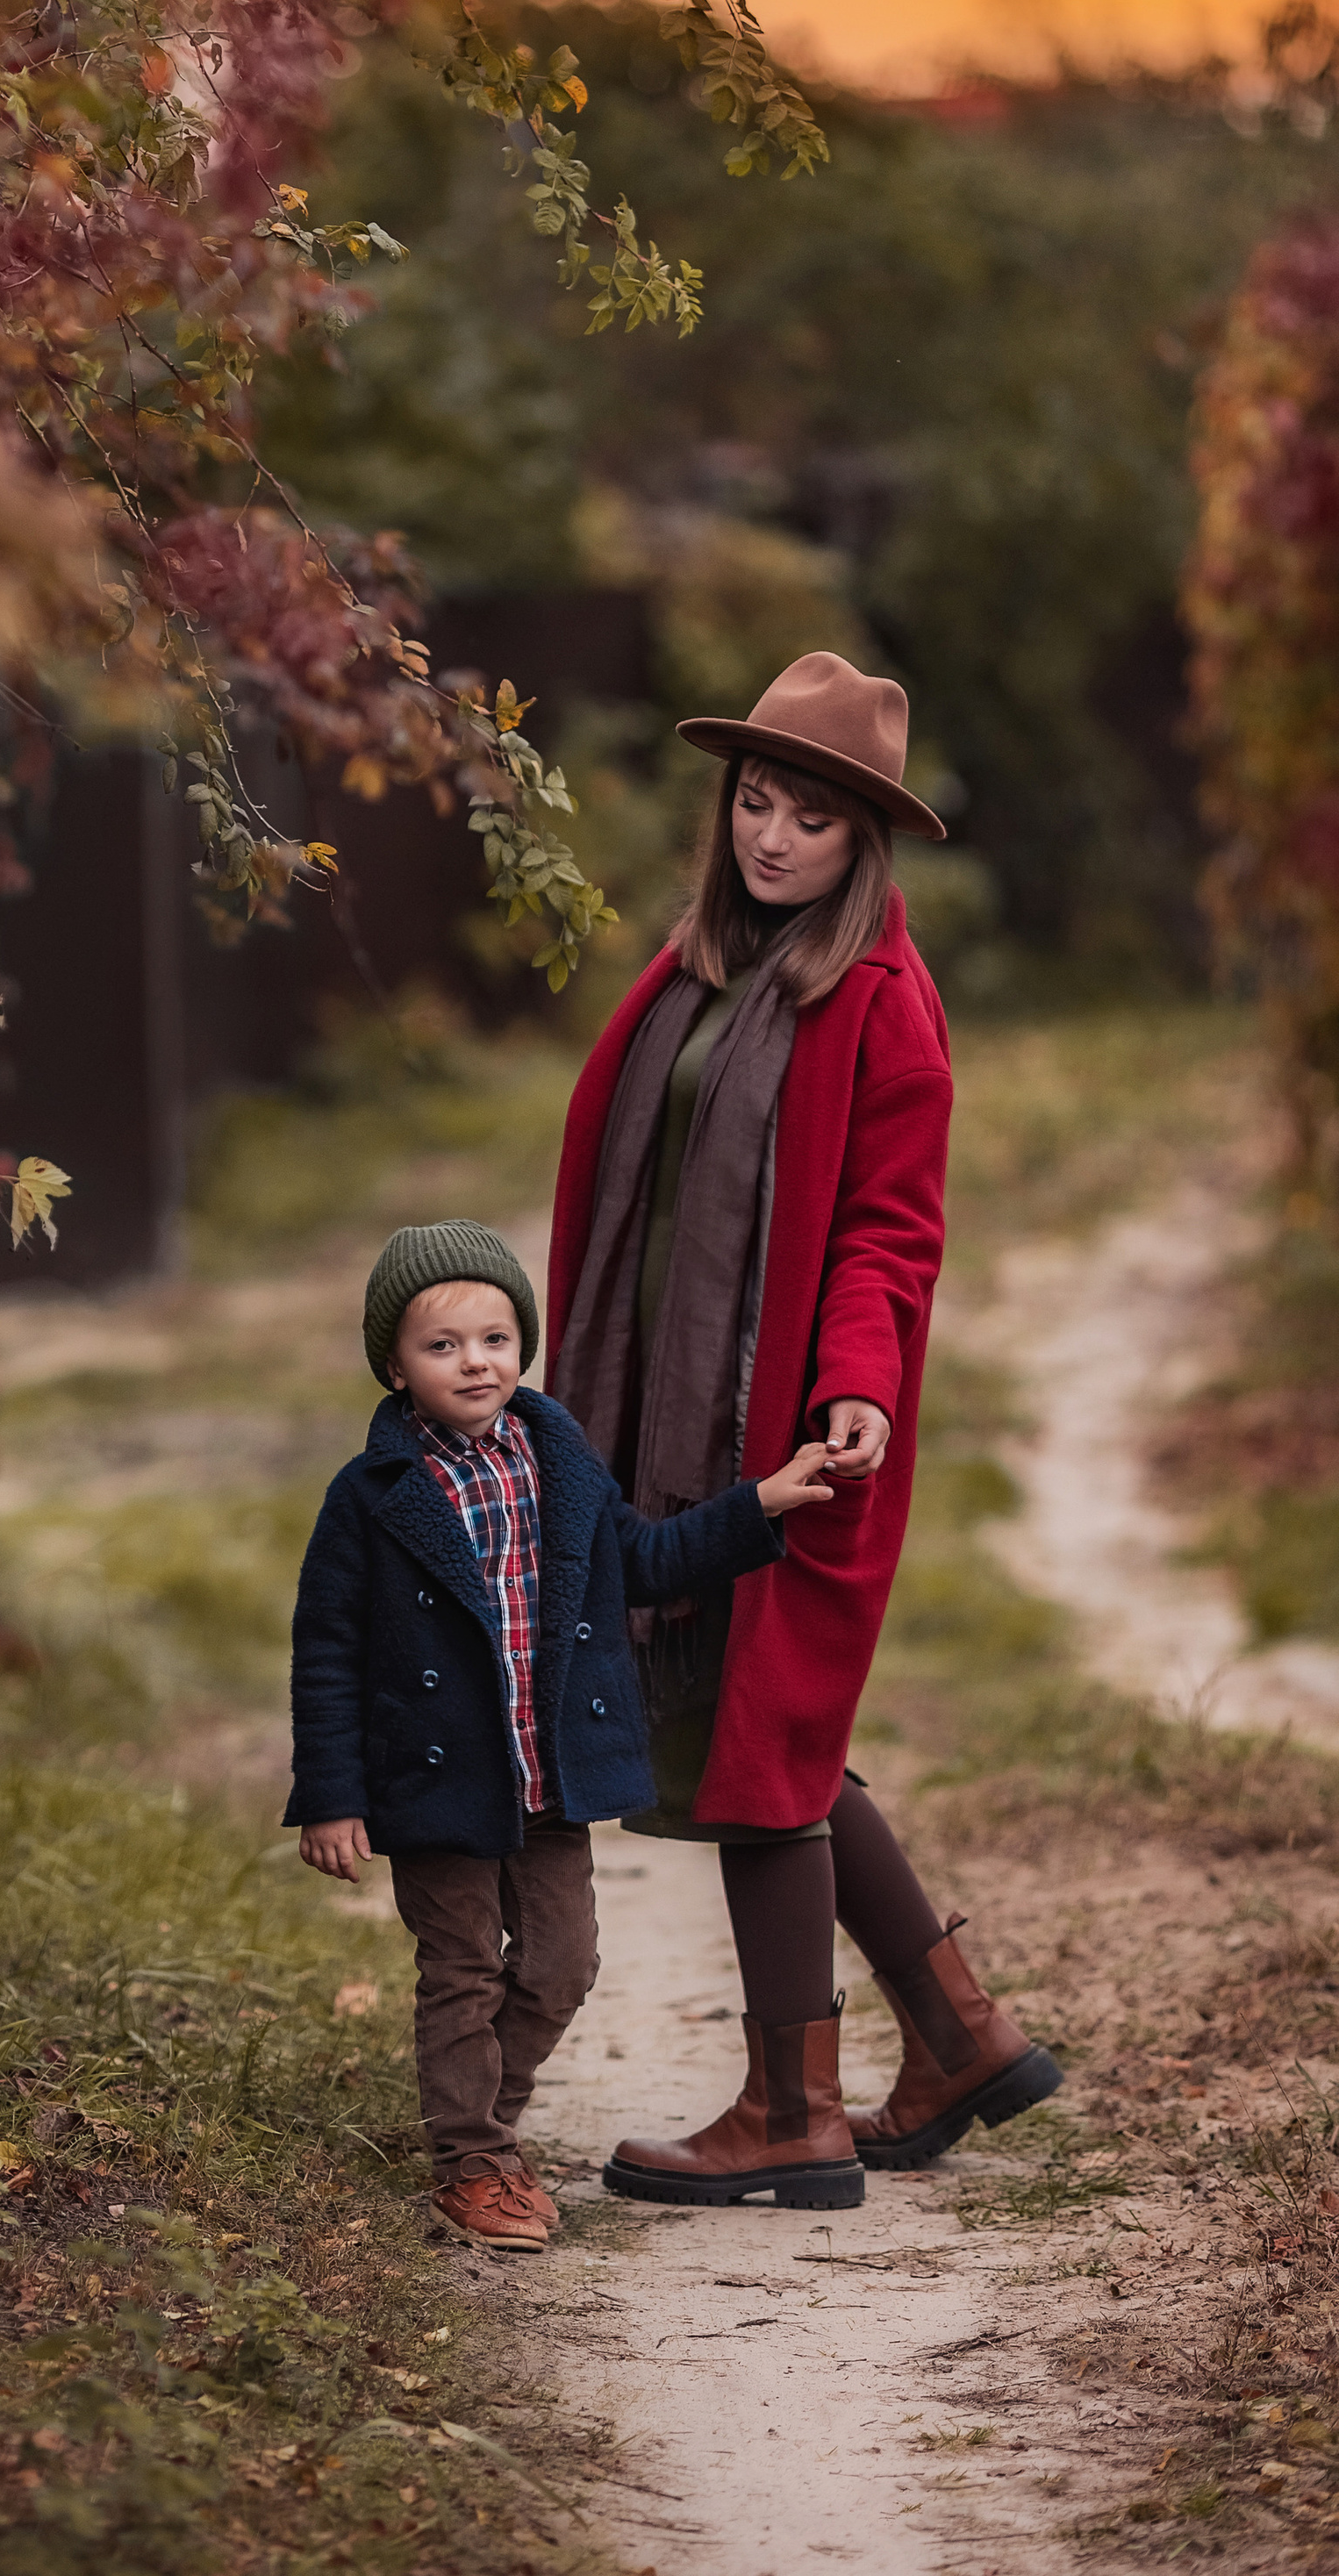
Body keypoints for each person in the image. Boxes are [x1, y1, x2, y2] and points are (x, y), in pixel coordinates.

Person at [545, 650, 1063, 2210]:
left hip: (792, 1430)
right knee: (778, 1736)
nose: (774, 837)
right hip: (653, 1420)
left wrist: (858, 1381)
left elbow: (888, 1234)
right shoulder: (698, 959)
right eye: (757, 802)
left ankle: (793, 2110)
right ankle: (962, 2037)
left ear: (865, 841)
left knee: (761, 1742)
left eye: (812, 819)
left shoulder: (883, 1005)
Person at [285, 1217, 839, 2252]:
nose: (473, 1360)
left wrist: (755, 1503)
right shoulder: (370, 1499)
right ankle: (474, 2162)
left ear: (521, 1344)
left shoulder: (557, 1456)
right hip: (439, 1782)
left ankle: (481, 2125)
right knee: (461, 1969)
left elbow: (644, 1556)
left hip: (547, 1776)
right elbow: (324, 1647)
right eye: (440, 1345)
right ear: (395, 1367)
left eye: (494, 1336)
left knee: (561, 1962)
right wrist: (330, 1792)